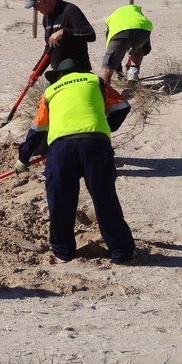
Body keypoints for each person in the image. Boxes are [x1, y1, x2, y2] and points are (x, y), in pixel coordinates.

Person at [15, 58, 134, 264]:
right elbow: (122, 106)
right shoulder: (94, 81)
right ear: (79, 71)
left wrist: (23, 157)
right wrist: (106, 126)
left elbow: (37, 129)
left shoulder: (50, 92)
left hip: (61, 148)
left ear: (59, 75)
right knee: (104, 197)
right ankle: (121, 251)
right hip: (95, 144)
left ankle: (63, 251)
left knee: (61, 200)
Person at [25, 0, 96, 72]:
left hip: (78, 71)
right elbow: (50, 48)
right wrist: (36, 71)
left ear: (44, 1)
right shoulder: (46, 18)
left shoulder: (70, 10)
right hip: (59, 74)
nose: (35, 9)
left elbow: (90, 34)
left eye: (35, 6)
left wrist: (64, 32)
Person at [99, 4, 153, 85]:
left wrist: (118, 71)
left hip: (120, 33)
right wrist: (135, 49)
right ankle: (133, 75)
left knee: (107, 69)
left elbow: (114, 52)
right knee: (138, 48)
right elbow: (147, 48)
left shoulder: (112, 18)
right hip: (143, 31)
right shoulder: (138, 16)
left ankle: (104, 94)